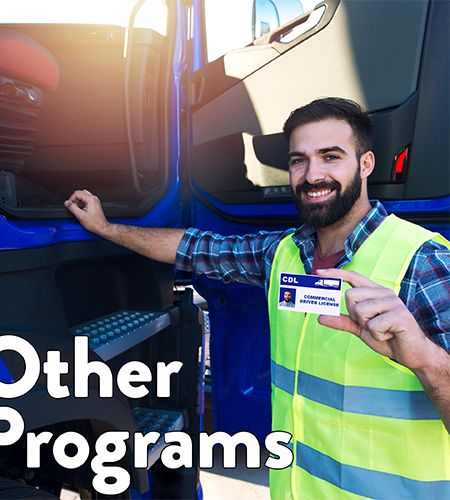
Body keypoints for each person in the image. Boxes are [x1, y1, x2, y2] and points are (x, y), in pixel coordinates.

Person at [65, 97, 450, 499]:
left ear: (366, 164)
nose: (312, 175)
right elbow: (194, 248)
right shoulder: (282, 253)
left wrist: (426, 357)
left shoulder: (423, 263)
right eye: (299, 160)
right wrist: (107, 228)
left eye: (331, 157)